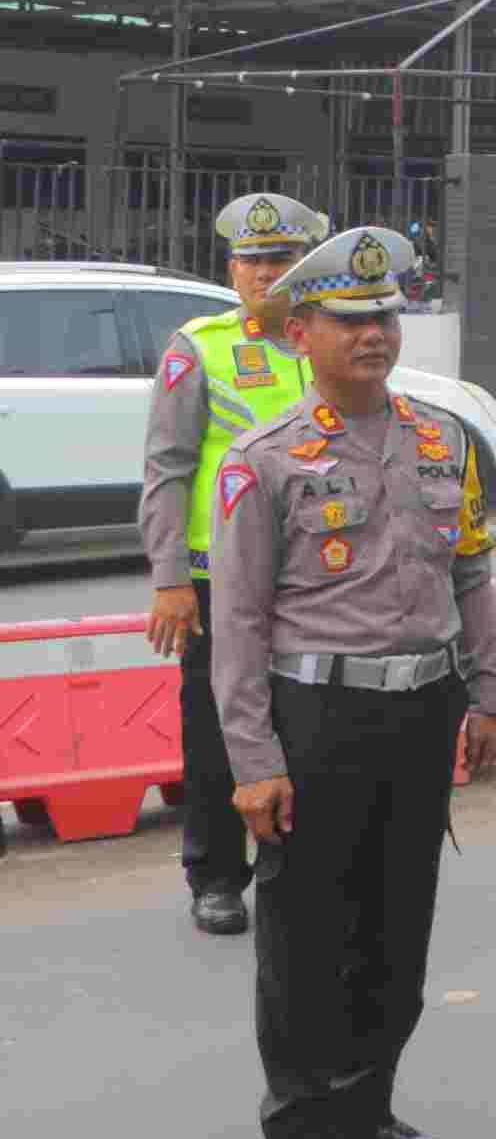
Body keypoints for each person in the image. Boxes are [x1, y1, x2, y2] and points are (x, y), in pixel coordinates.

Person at [209, 226, 496, 1139]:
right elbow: (238, 625)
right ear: (302, 332)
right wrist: (252, 760)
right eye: (349, 318)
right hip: (316, 713)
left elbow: (470, 574)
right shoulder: (265, 462)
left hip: (421, 707)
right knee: (304, 938)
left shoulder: (441, 439)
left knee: (396, 926)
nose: (374, 333)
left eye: (383, 315)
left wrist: (487, 694)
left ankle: (369, 1111)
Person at [137, 190, 329, 939]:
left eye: (278, 259)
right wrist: (169, 577)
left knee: (309, 724)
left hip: (314, 573)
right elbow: (167, 468)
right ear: (232, 267)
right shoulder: (201, 346)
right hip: (218, 579)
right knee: (218, 731)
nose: (261, 273)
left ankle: (298, 865)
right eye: (249, 260)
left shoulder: (327, 339)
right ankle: (216, 877)